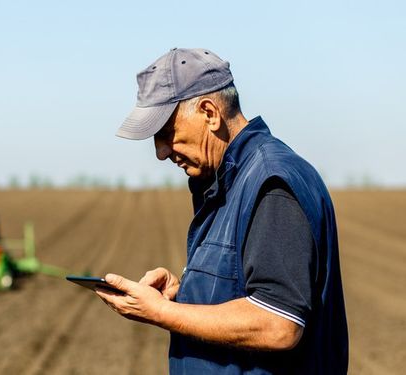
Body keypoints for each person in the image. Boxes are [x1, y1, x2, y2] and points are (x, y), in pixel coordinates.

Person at [96, 48, 348, 374]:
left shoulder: (271, 183)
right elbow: (241, 287)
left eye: (165, 133)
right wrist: (185, 291)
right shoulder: (228, 181)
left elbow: (277, 324)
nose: (160, 152)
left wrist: (160, 312)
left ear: (210, 113)